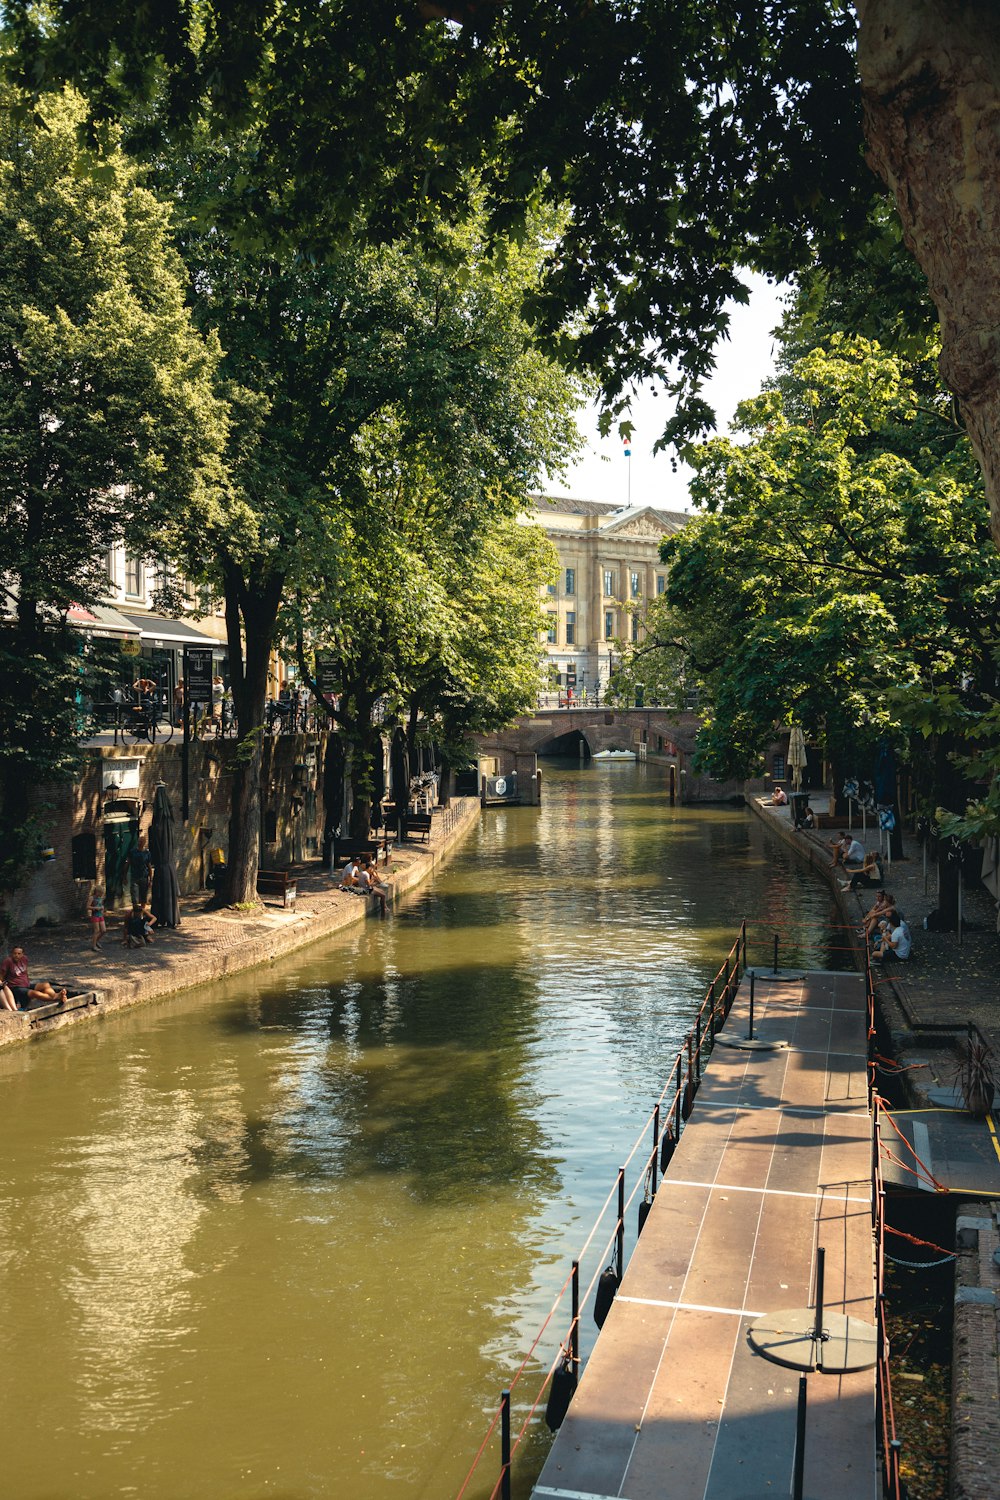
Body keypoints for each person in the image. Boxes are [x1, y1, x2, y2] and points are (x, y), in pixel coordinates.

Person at [0, 947, 66, 1006]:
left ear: (22, 954)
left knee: (46, 985)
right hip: (16, 988)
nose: (16, 955)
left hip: (26, 984)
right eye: (14, 953)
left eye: (19, 953)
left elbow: (24, 973)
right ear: (12, 954)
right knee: (35, 993)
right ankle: (56, 997)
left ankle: (56, 996)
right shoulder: (7, 962)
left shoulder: (24, 959)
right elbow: (1, 976)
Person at [129, 835, 152, 908]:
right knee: (134, 897)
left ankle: (142, 912)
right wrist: (124, 876)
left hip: (144, 877)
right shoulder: (132, 852)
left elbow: (149, 866)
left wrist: (150, 879)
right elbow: (128, 863)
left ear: (144, 843)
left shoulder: (147, 853)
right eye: (139, 841)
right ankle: (135, 913)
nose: (140, 843)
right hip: (134, 876)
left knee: (143, 896)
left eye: (141, 842)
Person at [88, 886, 106, 950]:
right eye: (101, 893)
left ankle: (96, 941)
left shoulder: (100, 898)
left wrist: (102, 908)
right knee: (97, 930)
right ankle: (94, 946)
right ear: (97, 892)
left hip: (100, 915)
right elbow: (87, 907)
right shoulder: (92, 898)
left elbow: (101, 904)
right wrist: (95, 908)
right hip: (95, 915)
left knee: (103, 930)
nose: (102, 894)